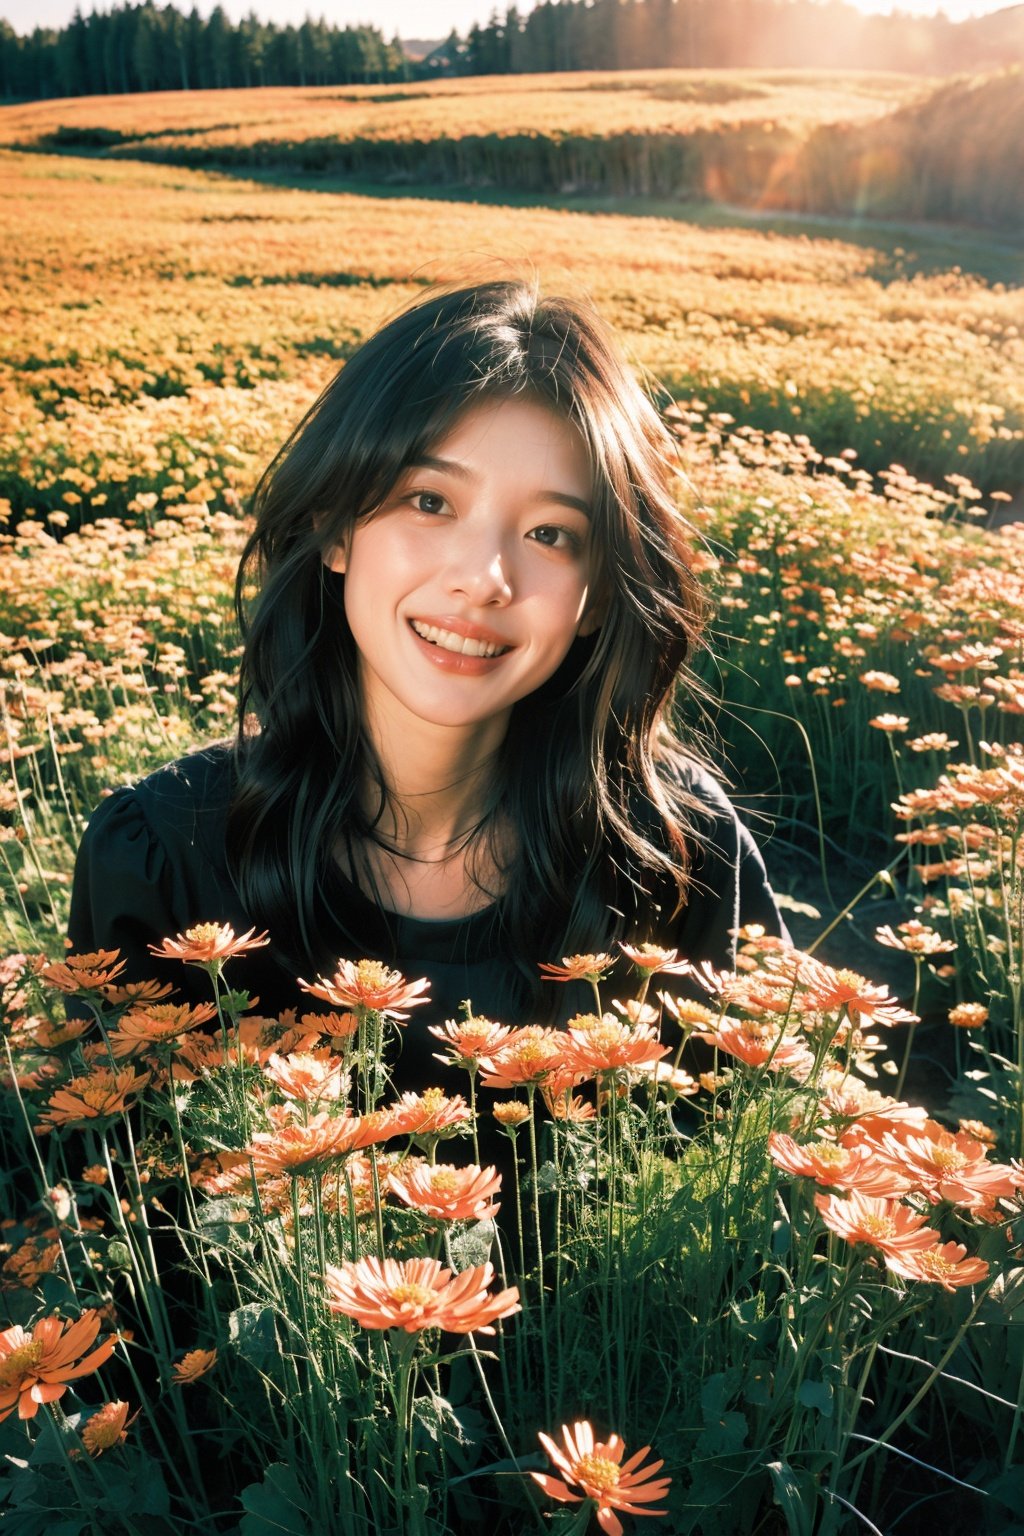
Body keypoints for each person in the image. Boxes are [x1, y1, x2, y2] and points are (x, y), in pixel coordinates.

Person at [68, 278, 787, 1099]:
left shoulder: (676, 851)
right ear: (335, 528)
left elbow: (742, 1158)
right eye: (429, 500)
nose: (483, 581)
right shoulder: (160, 856)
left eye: (550, 534)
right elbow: (113, 1191)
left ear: (598, 600)